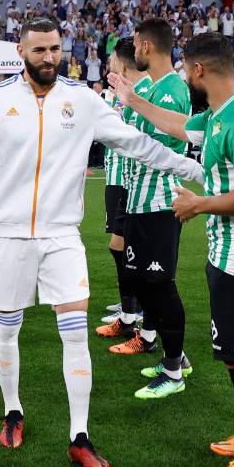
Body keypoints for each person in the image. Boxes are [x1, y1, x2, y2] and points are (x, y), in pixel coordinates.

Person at [0, 17, 203, 467]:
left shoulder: (81, 101)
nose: (48, 58)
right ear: (21, 51)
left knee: (75, 333)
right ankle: (12, 410)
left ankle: (80, 435)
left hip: (62, 237)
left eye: (55, 49)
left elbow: (137, 144)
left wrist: (192, 168)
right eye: (39, 50)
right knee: (7, 329)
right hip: (7, 234)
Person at [114, 32, 234, 467]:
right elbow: (176, 126)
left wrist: (200, 204)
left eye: (188, 69)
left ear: (201, 71)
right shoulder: (217, 116)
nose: (185, 76)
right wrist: (133, 100)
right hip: (226, 254)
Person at [109, 19, 195, 403]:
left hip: (162, 201)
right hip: (139, 201)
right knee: (143, 282)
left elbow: (153, 145)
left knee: (160, 287)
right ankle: (174, 356)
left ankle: (174, 369)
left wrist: (123, 116)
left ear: (144, 46)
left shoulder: (172, 89)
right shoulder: (149, 88)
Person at [95, 38, 145, 339]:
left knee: (123, 246)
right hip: (116, 175)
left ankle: (135, 309)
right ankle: (129, 306)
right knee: (118, 245)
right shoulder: (118, 93)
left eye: (112, 57)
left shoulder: (137, 93)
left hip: (130, 180)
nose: (109, 62)